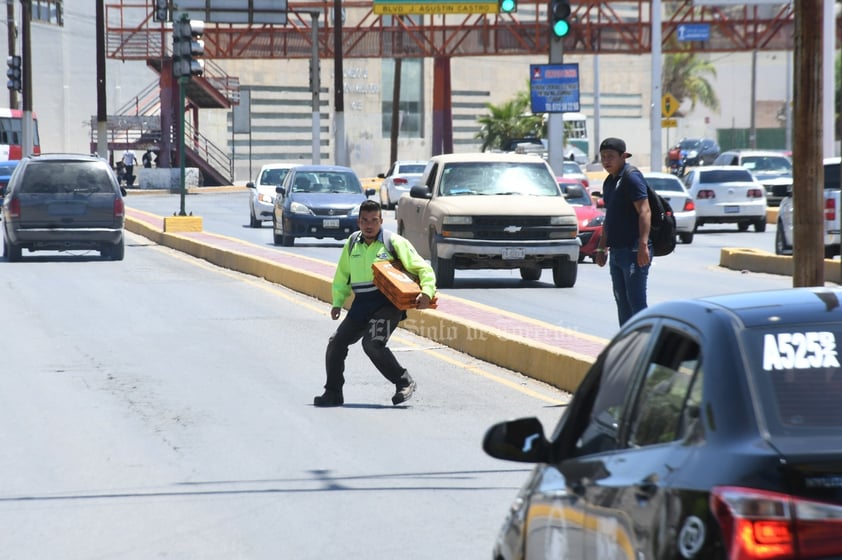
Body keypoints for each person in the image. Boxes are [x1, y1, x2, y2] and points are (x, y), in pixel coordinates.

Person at [314, 199, 437, 407]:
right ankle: (333, 392)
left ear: (381, 220)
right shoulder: (353, 243)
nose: (369, 225)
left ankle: (403, 382)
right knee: (336, 343)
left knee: (372, 343)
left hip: (387, 304)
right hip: (361, 305)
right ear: (358, 222)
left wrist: (427, 291)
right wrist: (338, 302)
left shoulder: (393, 242)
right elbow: (342, 275)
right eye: (364, 221)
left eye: (373, 220)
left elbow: (423, 269)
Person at [594, 137, 652, 327]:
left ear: (623, 156)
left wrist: (643, 245)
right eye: (603, 157)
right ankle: (627, 345)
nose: (606, 161)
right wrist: (602, 247)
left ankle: (643, 346)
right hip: (618, 251)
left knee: (637, 303)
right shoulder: (609, 182)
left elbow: (645, 211)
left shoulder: (631, 177)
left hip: (634, 250)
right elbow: (609, 217)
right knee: (622, 302)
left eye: (610, 156)